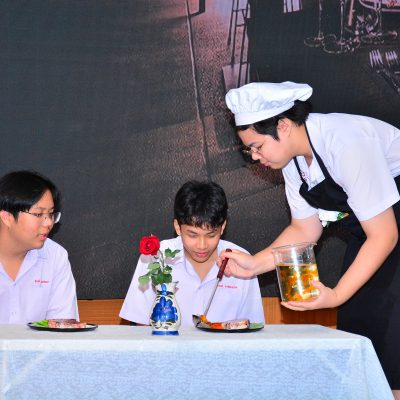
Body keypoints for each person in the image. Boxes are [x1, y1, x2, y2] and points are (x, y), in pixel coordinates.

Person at [221, 81, 400, 395]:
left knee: (390, 333)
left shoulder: (344, 143)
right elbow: (305, 229)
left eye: (258, 146)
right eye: (249, 150)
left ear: (283, 125)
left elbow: (384, 235)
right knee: (359, 325)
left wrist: (335, 295)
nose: (255, 157)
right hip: (373, 231)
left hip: (385, 229)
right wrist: (253, 265)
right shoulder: (294, 162)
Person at [120, 180, 265, 326]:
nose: (202, 246)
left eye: (211, 235)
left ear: (223, 227)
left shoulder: (242, 261)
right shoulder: (156, 257)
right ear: (177, 227)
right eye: (192, 235)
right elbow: (139, 324)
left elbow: (251, 326)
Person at [0, 170, 79, 324]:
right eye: (38, 214)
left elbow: (62, 324)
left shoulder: (55, 256)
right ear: (7, 217)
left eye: (51, 214)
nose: (48, 223)